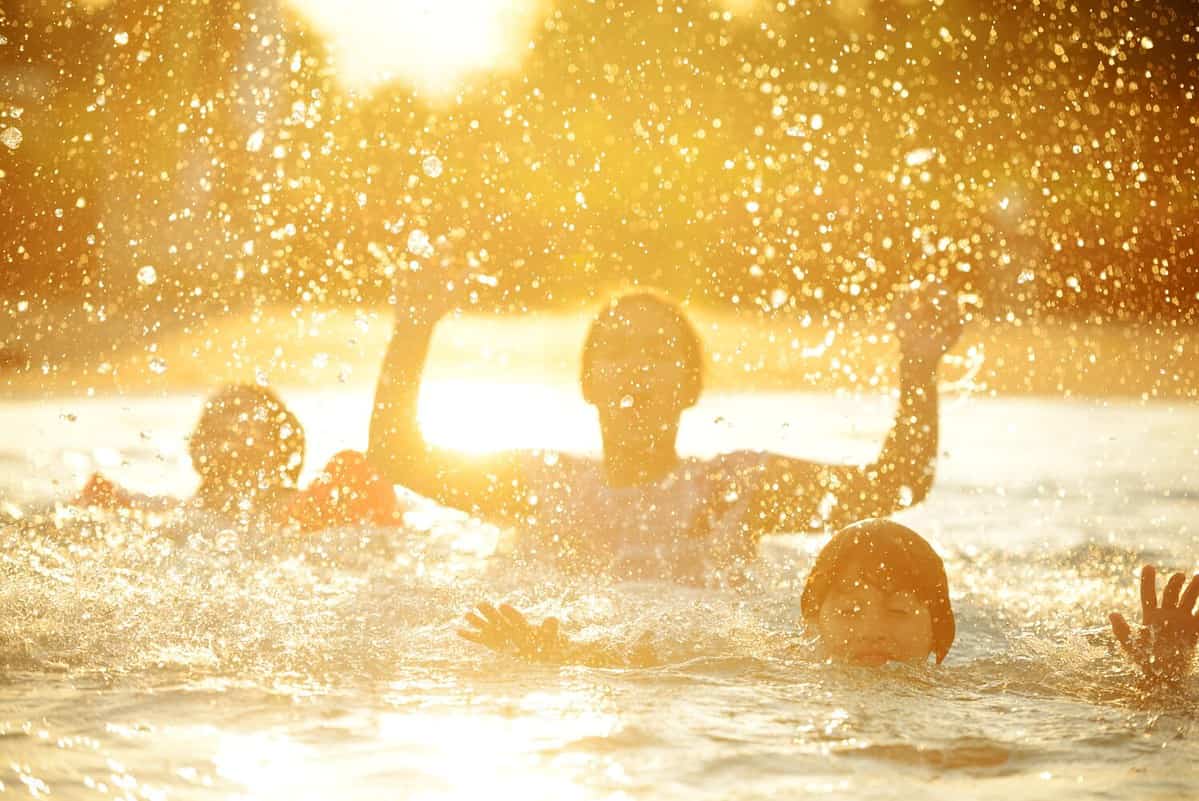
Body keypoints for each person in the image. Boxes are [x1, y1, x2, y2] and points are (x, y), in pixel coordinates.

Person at [368, 263, 964, 583]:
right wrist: (413, 330)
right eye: (618, 352)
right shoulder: (542, 486)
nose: (636, 370)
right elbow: (398, 457)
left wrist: (918, 365)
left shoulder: (733, 489)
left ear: (690, 386)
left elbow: (898, 485)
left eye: (657, 353)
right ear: (587, 383)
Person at [458, 518, 1199, 687]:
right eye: (848, 610)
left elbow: (1090, 700)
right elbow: (653, 662)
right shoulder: (769, 665)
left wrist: (1162, 677)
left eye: (902, 610)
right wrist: (553, 653)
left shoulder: (977, 680)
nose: (871, 630)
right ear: (808, 618)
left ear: (941, 634)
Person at [77, 383, 401, 531]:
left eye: (237, 412)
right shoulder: (173, 513)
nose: (220, 423)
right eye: (210, 417)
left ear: (280, 444)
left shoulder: (315, 504)